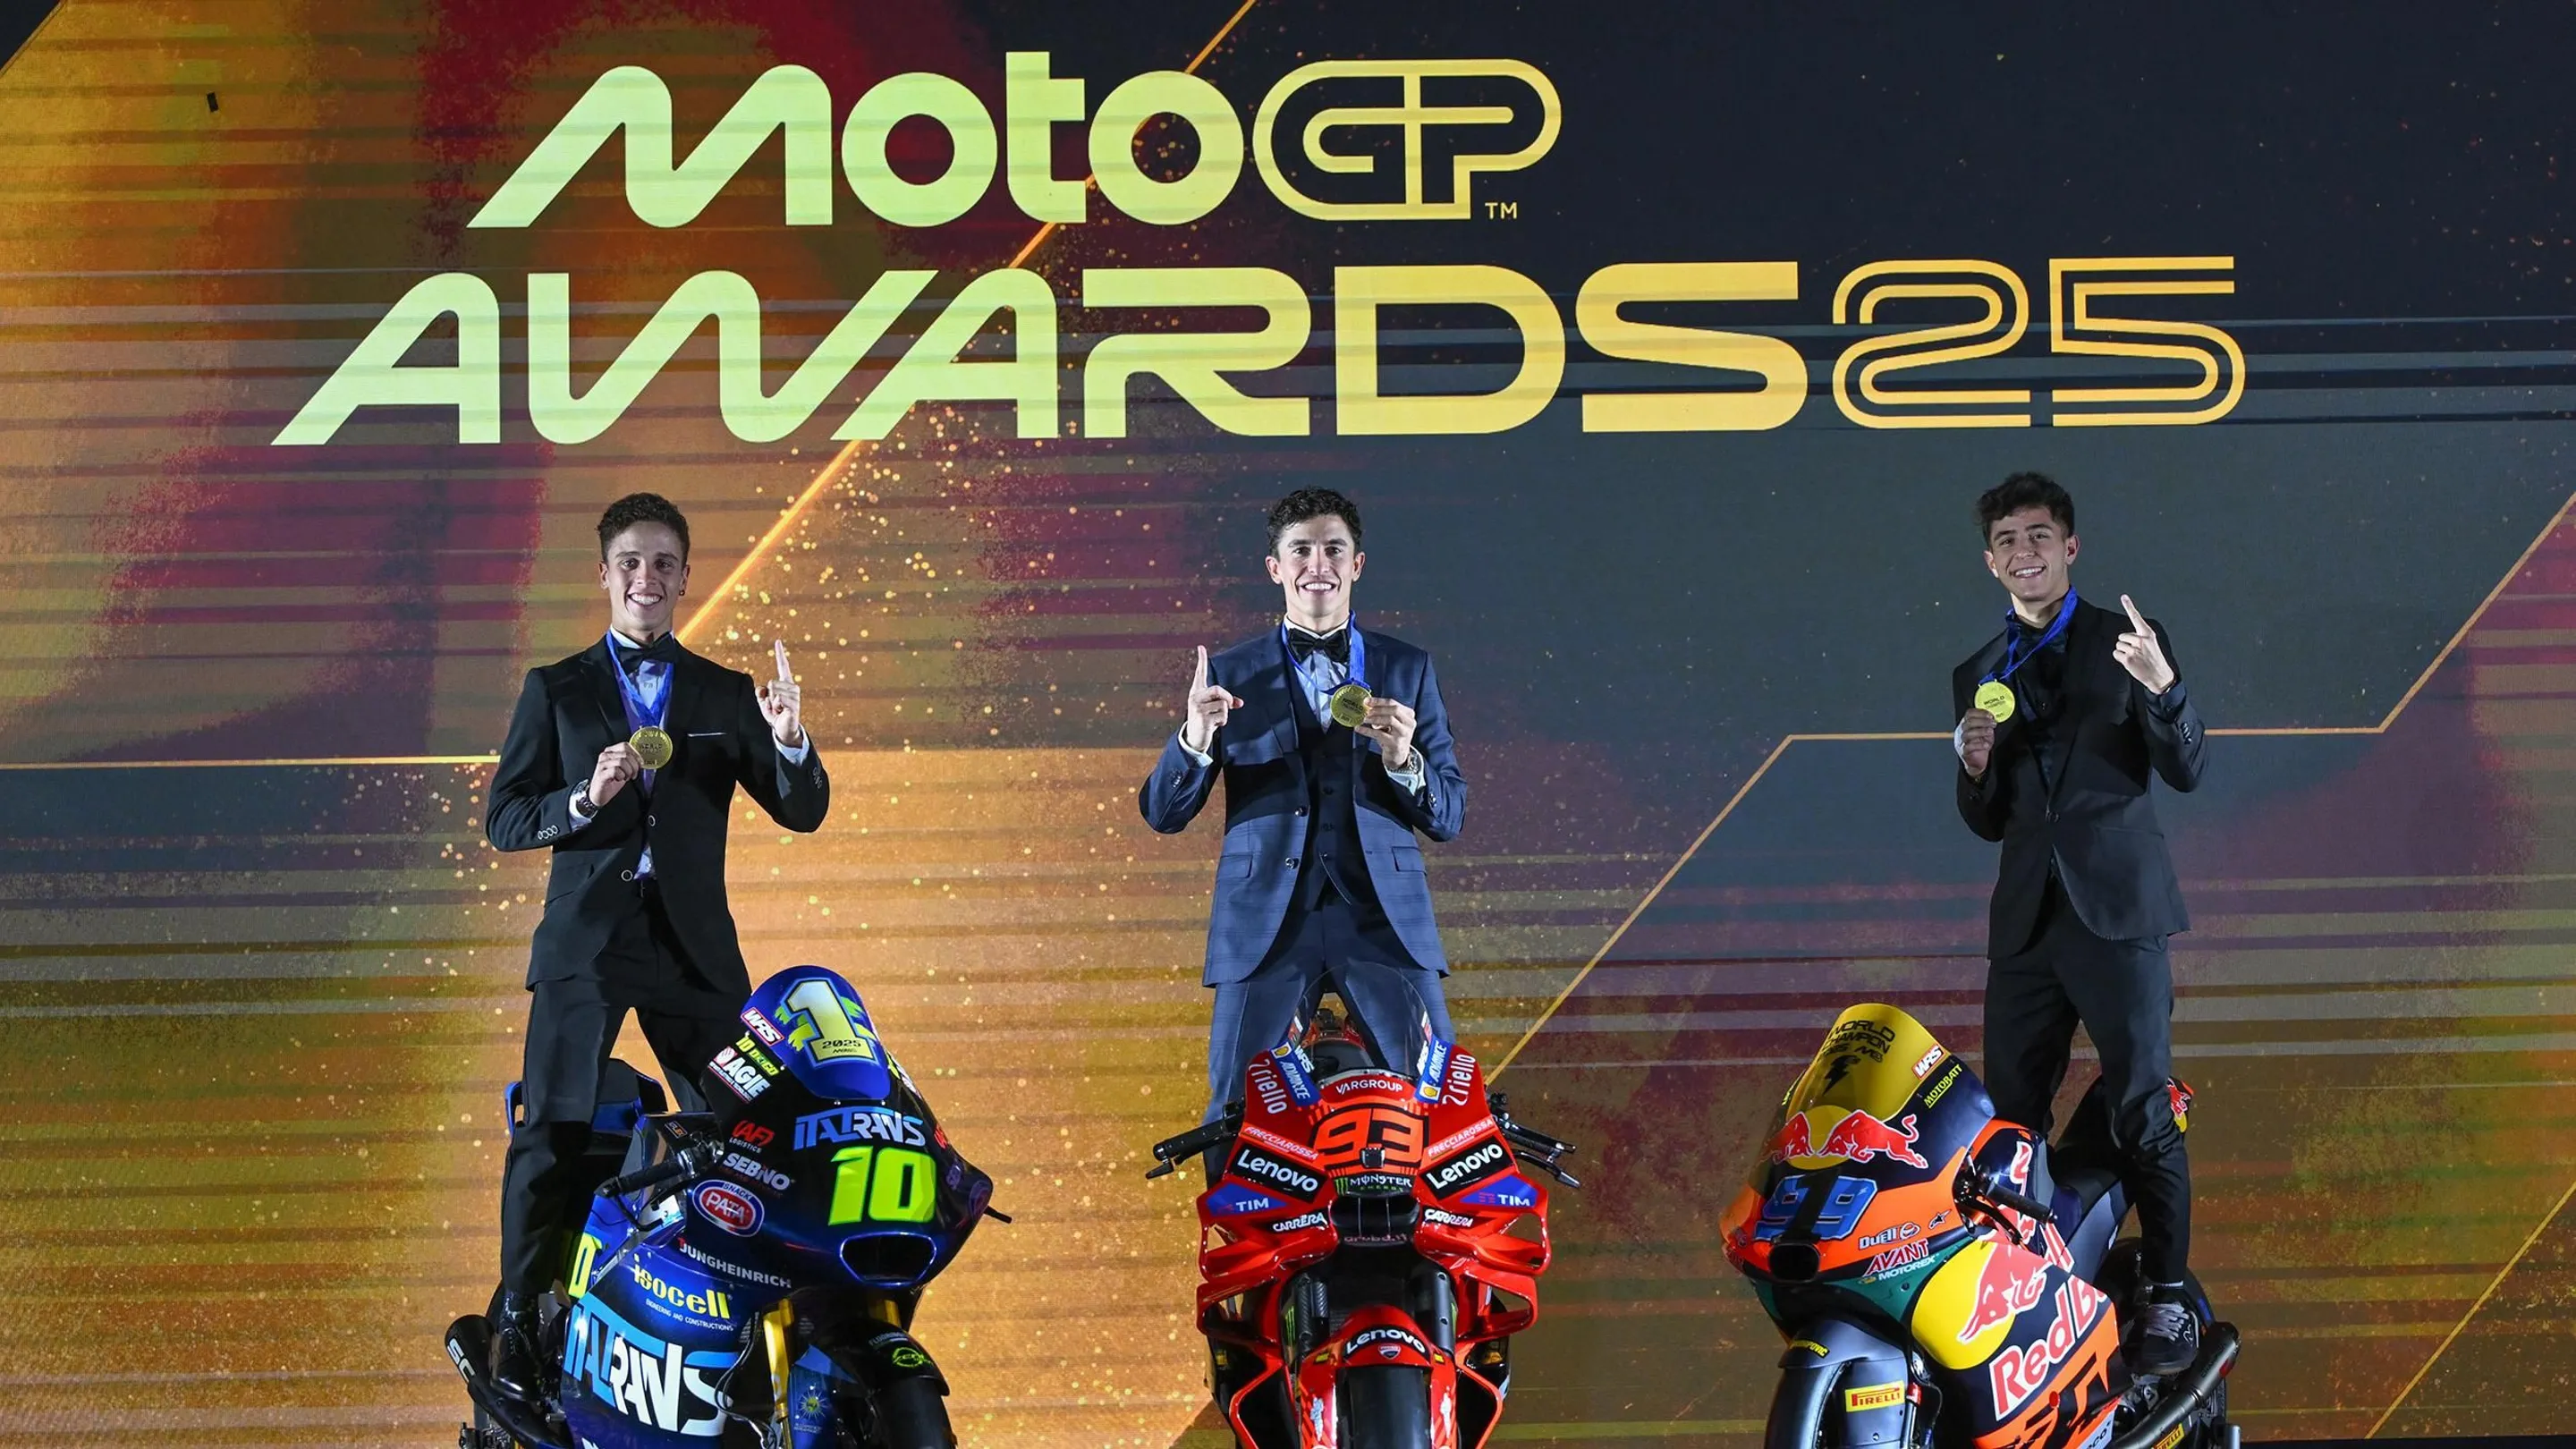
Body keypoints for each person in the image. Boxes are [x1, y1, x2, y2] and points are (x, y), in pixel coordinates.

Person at [480, 492, 830, 1401]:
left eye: (664, 564)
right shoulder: (555, 689)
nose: (647, 578)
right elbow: (505, 820)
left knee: (751, 1135)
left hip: (693, 951)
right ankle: (517, 1319)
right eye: (630, 562)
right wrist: (583, 801)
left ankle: (752, 1326)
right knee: (554, 1129)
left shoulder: (725, 691)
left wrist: (790, 741)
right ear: (604, 575)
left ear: (684, 578)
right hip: (588, 945)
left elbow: (802, 812)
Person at [1950, 470, 2207, 1375]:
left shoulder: (2131, 643)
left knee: (2142, 1109)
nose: (2025, 552)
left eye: (2039, 536)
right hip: (2027, 926)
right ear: (1991, 563)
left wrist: (2165, 689)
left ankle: (2167, 1295)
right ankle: (2023, 1304)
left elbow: (2187, 769)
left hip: (2119, 914)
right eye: (2007, 542)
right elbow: (1988, 820)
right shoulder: (1976, 673)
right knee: (2009, 1131)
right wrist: (1973, 770)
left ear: (2070, 547)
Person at [1139, 487, 1467, 1134]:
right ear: (1276, 568)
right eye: (1301, 550)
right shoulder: (1228, 673)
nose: (1318, 564)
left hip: (1382, 921)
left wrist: (1404, 758)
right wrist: (1194, 739)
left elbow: (1449, 815)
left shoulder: (1407, 667)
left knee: (1437, 1107)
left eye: (1333, 549)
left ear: (1357, 564)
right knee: (1236, 1117)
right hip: (1266, 926)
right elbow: (1163, 813)